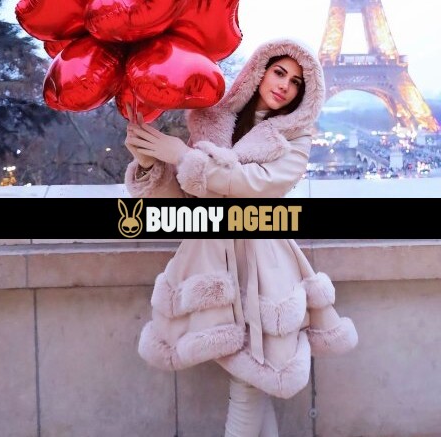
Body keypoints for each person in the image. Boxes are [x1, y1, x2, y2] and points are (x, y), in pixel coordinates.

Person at [124, 39, 358, 437]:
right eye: (279, 72)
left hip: (262, 265)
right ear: (259, 71)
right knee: (252, 381)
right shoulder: (212, 121)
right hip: (210, 260)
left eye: (296, 82)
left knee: (250, 380)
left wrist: (183, 157)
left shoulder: (296, 137)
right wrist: (151, 164)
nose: (284, 85)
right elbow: (187, 197)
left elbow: (257, 184)